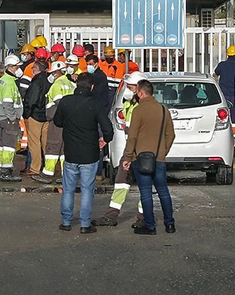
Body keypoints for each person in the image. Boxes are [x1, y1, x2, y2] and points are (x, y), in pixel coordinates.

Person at [53, 72, 114, 233]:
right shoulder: (95, 104)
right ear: (92, 87)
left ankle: (66, 222)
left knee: (68, 189)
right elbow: (107, 128)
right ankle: (85, 224)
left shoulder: (66, 101)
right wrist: (105, 139)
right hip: (89, 153)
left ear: (77, 84)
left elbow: (57, 122)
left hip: (71, 151)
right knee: (87, 189)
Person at [124, 78, 176, 234]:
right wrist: (163, 151)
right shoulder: (163, 110)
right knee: (163, 190)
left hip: (140, 159)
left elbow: (132, 136)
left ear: (141, 93)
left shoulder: (138, 110)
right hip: (159, 158)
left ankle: (150, 226)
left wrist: (128, 157)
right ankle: (170, 224)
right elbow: (171, 135)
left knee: (146, 192)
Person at [98, 70, 145, 228]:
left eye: (130, 87)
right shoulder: (129, 104)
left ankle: (143, 217)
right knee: (121, 182)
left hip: (140, 151)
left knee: (144, 185)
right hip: (130, 149)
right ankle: (111, 215)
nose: (128, 90)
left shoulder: (144, 106)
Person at [40, 57, 77, 182]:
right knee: (64, 149)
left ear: (57, 72)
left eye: (52, 73)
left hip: (57, 120)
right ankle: (65, 174)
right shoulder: (71, 84)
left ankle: (47, 173)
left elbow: (59, 103)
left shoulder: (57, 85)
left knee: (53, 145)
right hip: (69, 121)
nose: (51, 75)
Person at [0, 54, 24, 182]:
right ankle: (6, 172)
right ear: (11, 67)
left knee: (1, 145)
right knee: (9, 146)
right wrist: (13, 119)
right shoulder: (9, 83)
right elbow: (8, 103)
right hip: (8, 119)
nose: (19, 69)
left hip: (1, 118)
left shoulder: (2, 81)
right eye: (17, 66)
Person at [22, 53, 55, 176]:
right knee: (46, 143)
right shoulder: (49, 81)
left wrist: (27, 114)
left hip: (35, 116)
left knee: (34, 143)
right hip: (46, 115)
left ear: (35, 69)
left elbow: (31, 100)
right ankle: (48, 167)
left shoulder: (36, 82)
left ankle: (35, 168)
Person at [214, 45, 235, 121]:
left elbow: (216, 72)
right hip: (234, 95)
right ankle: (234, 126)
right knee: (234, 115)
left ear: (227, 55)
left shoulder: (221, 65)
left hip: (222, 94)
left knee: (222, 114)